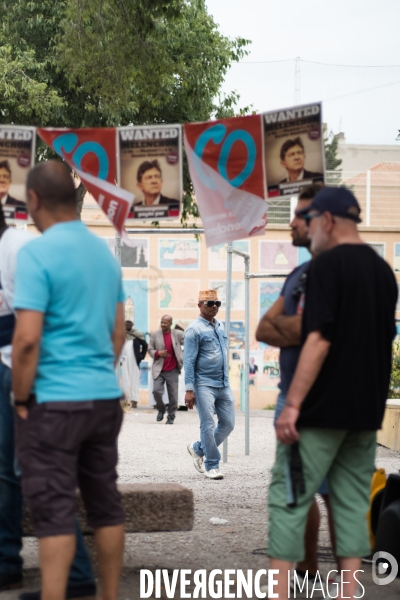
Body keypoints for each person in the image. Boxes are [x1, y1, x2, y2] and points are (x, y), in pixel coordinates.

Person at [268, 187, 398, 599]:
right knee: (349, 506)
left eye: (311, 222)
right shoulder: (384, 272)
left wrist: (292, 405)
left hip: (318, 414)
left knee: (288, 500)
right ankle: (347, 593)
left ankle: (280, 592)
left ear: (326, 221)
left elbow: (319, 339)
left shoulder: (326, 267)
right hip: (364, 416)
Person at [12, 161, 126, 600]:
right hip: (102, 398)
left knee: (54, 509)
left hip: (53, 402)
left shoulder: (36, 254)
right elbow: (118, 332)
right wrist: (98, 372)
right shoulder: (104, 252)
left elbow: (25, 341)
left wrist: (22, 398)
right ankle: (109, 596)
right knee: (105, 504)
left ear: (34, 200)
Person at [0, 204, 96, 598]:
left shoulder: (18, 246)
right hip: (13, 366)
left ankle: (75, 574)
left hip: (24, 368)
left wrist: (24, 389)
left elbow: (35, 321)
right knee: (10, 471)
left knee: (33, 472)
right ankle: (8, 564)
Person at [256, 184, 337, 596]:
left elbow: (329, 335)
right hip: (292, 399)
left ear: (323, 221)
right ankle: (306, 569)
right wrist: (307, 329)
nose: (290, 222)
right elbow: (263, 327)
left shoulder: (337, 272)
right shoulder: (298, 274)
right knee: (299, 492)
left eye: (299, 215)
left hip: (323, 401)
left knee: (336, 495)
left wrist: (303, 330)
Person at [184, 290, 235, 480]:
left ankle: (198, 448)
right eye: (210, 302)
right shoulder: (193, 330)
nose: (214, 306)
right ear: (199, 305)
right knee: (207, 423)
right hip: (203, 383)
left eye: (217, 303)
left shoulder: (220, 326)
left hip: (223, 383)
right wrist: (189, 389)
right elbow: (188, 361)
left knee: (228, 423)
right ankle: (211, 465)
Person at [148, 315, 184, 424]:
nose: (163, 324)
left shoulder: (178, 334)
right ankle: (161, 408)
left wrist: (183, 356)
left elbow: (189, 343)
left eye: (166, 322)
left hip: (173, 369)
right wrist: (158, 353)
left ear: (171, 323)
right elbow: (150, 350)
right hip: (159, 369)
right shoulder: (154, 334)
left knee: (173, 395)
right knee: (156, 391)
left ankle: (171, 416)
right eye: (162, 322)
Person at [120, 320, 147, 408]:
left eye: (129, 323)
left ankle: (134, 400)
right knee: (125, 379)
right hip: (123, 360)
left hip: (134, 360)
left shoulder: (137, 334)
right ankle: (126, 400)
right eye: (126, 323)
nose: (128, 325)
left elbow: (145, 345)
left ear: (132, 325)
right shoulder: (122, 334)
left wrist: (141, 356)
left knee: (134, 379)